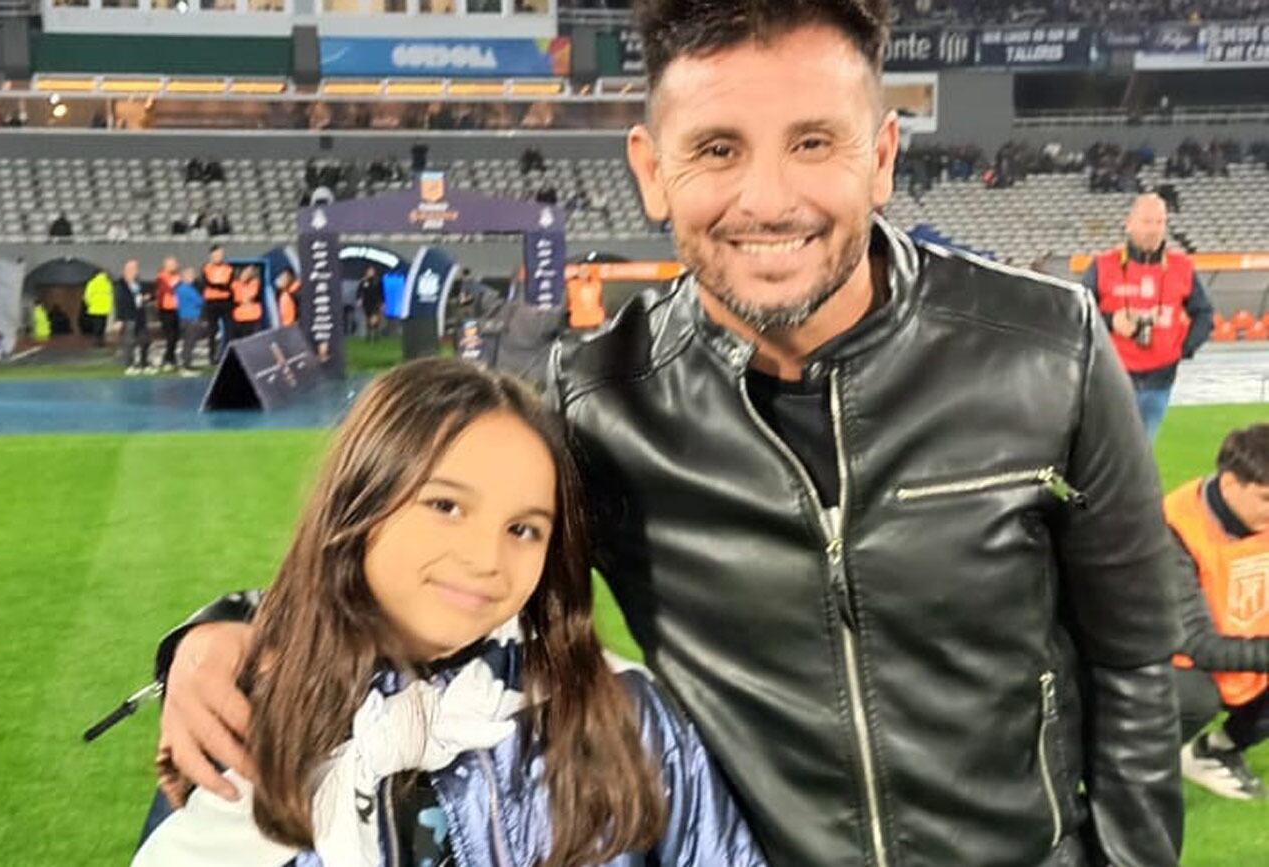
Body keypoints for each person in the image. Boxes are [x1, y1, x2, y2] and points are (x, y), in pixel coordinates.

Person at [153, 3, 1183, 865]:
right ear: (652, 171)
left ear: (880, 157)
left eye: (813, 142)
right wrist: (224, 628)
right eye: (717, 150)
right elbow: (420, 550)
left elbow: (1135, 662)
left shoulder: (1043, 346)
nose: (767, 199)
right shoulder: (595, 404)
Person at [135, 359, 765, 867]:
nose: (486, 558)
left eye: (524, 528)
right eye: (445, 506)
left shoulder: (627, 718)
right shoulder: (241, 712)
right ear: (361, 501)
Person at [1166, 424, 1269, 801]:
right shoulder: (1172, 529)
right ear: (1229, 484)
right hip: (1179, 657)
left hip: (1248, 640)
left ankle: (1216, 750)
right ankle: (1141, 765)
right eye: (1266, 498)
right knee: (1194, 698)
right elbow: (1194, 642)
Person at [1081, 193, 1214, 440]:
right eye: (1146, 221)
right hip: (1113, 376)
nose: (1153, 229)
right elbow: (1077, 313)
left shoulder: (1181, 266)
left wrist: (1183, 349)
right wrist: (1111, 321)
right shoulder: (1103, 265)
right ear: (1129, 223)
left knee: (1142, 452)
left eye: (1159, 222)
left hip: (1160, 380)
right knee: (1106, 449)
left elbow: (1204, 314)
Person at [114, 259, 152, 375]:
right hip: (128, 316)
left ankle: (144, 363)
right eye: (131, 269)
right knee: (129, 342)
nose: (134, 271)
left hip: (140, 316)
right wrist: (119, 319)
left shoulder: (139, 283)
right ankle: (129, 365)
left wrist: (146, 297)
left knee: (145, 340)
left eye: (135, 269)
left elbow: (147, 295)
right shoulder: (120, 284)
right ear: (125, 270)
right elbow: (119, 302)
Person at [201, 245, 235, 364]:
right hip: (211, 302)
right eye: (216, 254)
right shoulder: (206, 268)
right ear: (211, 255)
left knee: (229, 329)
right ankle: (211, 357)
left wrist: (217, 286)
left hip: (225, 302)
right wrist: (220, 286)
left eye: (220, 254)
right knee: (212, 330)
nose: (218, 257)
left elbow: (229, 285)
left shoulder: (228, 268)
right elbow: (207, 283)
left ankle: (228, 355)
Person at [175, 267, 204, 376]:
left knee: (190, 342)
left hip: (189, 318)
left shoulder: (187, 288)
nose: (193, 277)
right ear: (184, 277)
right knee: (189, 342)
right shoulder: (184, 289)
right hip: (189, 319)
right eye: (191, 275)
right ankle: (185, 365)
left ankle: (188, 363)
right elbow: (199, 301)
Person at [155, 256, 181, 372]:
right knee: (170, 335)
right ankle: (167, 359)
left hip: (176, 309)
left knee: (175, 335)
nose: (174, 266)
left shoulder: (177, 276)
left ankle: (171, 358)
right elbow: (168, 289)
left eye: (175, 264)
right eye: (172, 264)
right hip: (165, 309)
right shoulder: (162, 276)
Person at [231, 264, 263, 341]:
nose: (249, 273)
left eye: (251, 271)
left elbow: (256, 296)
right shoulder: (234, 285)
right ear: (242, 271)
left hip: (254, 319)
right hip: (240, 319)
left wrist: (249, 299)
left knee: (255, 341)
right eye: (247, 271)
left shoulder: (256, 283)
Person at [83, 269, 114, 347]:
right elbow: (111, 295)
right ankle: (101, 339)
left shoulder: (92, 283)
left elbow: (87, 296)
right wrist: (110, 305)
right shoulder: (108, 283)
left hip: (95, 307)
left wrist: (89, 304)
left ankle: (96, 339)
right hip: (105, 307)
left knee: (96, 323)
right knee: (103, 323)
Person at [356, 265, 383, 342]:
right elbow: (359, 291)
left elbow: (381, 292)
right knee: (368, 318)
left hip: (376, 302)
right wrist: (359, 299)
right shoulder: (363, 281)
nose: (370, 273)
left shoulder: (378, 281)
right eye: (369, 271)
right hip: (367, 302)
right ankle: (369, 334)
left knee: (375, 317)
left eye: (371, 271)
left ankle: (376, 334)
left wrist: (382, 302)